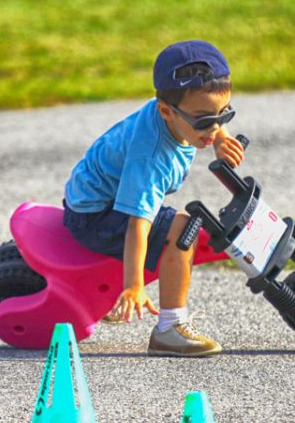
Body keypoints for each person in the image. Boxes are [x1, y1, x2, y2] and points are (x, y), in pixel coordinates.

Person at [61, 40, 244, 357]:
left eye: (224, 115)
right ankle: (169, 329)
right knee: (182, 229)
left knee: (177, 222)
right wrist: (133, 284)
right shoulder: (152, 156)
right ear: (165, 111)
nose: (214, 128)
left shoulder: (177, 109)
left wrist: (219, 140)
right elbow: (137, 224)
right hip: (95, 216)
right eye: (204, 121)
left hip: (102, 197)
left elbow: (208, 115)